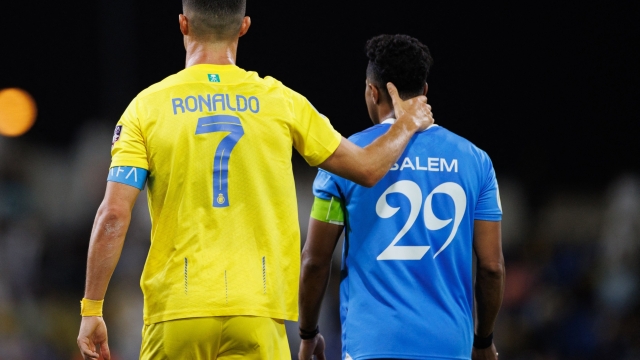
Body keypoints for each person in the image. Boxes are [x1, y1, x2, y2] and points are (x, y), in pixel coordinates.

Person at [76, 1, 434, 359]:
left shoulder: (147, 107)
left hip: (178, 309)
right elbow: (368, 168)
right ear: (244, 26)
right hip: (259, 310)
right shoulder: (280, 101)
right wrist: (407, 121)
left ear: (183, 24)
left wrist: (92, 308)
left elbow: (113, 215)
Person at [298, 34, 504, 360]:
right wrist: (483, 340)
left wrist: (308, 333)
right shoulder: (476, 161)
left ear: (372, 91)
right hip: (449, 347)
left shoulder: (345, 158)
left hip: (372, 345)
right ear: (424, 92)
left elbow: (315, 260)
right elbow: (492, 267)